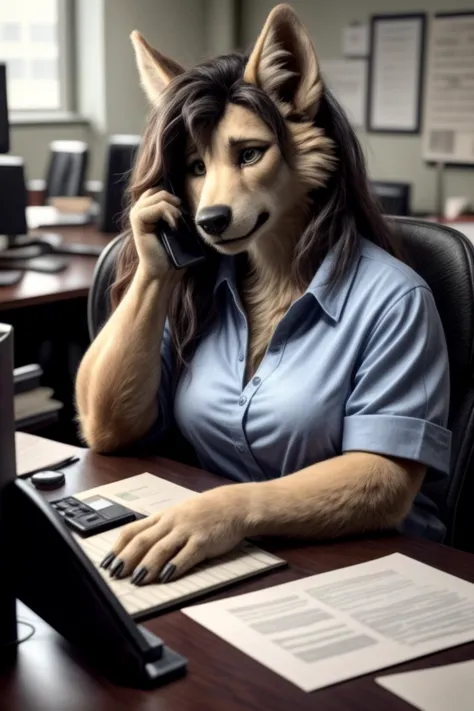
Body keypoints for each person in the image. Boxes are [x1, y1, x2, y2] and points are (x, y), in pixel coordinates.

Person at [75, 5, 451, 587]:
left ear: (303, 136)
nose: (214, 202)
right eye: (198, 167)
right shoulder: (198, 285)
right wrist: (152, 277)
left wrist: (232, 510)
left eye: (248, 154)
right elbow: (106, 430)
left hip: (373, 569)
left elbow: (384, 486)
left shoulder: (394, 299)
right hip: (233, 558)